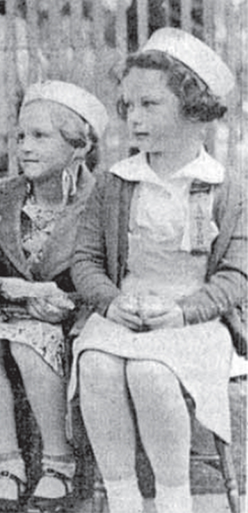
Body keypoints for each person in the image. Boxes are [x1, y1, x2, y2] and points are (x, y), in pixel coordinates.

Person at [70, 27, 246, 513]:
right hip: (122, 312)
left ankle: (174, 499)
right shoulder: (117, 183)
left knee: (150, 372)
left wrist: (182, 312)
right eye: (128, 106)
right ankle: (123, 498)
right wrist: (111, 301)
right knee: (96, 364)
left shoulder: (224, 188)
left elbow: (236, 275)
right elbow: (85, 259)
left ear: (193, 109)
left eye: (150, 105)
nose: (134, 118)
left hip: (195, 320)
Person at [0, 81, 109, 513]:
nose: (25, 147)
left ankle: (59, 463)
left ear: (79, 146)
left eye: (40, 136)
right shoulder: (0, 196)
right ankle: (9, 466)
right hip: (7, 313)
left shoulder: (103, 200)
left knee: (28, 339)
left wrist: (61, 299)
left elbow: (109, 273)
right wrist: (7, 289)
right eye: (21, 136)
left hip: (72, 321)